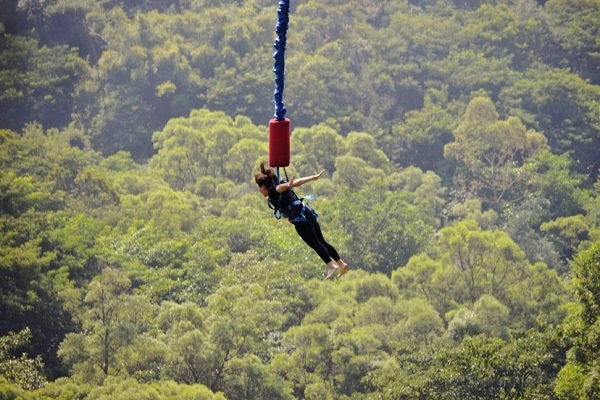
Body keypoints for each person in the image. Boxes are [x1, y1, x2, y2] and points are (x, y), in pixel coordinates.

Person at [254, 161, 348, 280]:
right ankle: (341, 263)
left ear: (264, 187)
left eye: (259, 187)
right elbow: (296, 183)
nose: (259, 190)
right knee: (321, 241)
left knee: (314, 243)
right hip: (306, 211)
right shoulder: (281, 184)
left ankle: (331, 266)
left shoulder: (274, 190)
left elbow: (280, 188)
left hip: (300, 219)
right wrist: (312, 177)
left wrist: (287, 185)